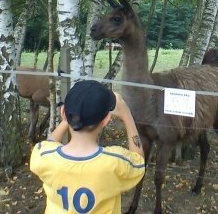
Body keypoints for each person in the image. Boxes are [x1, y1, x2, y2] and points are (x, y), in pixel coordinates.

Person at [30, 80, 145, 214]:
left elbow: (49, 143)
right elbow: (139, 161)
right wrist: (127, 115)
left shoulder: (44, 155)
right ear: (107, 120)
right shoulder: (115, 163)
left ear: (63, 113)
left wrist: (69, 119)